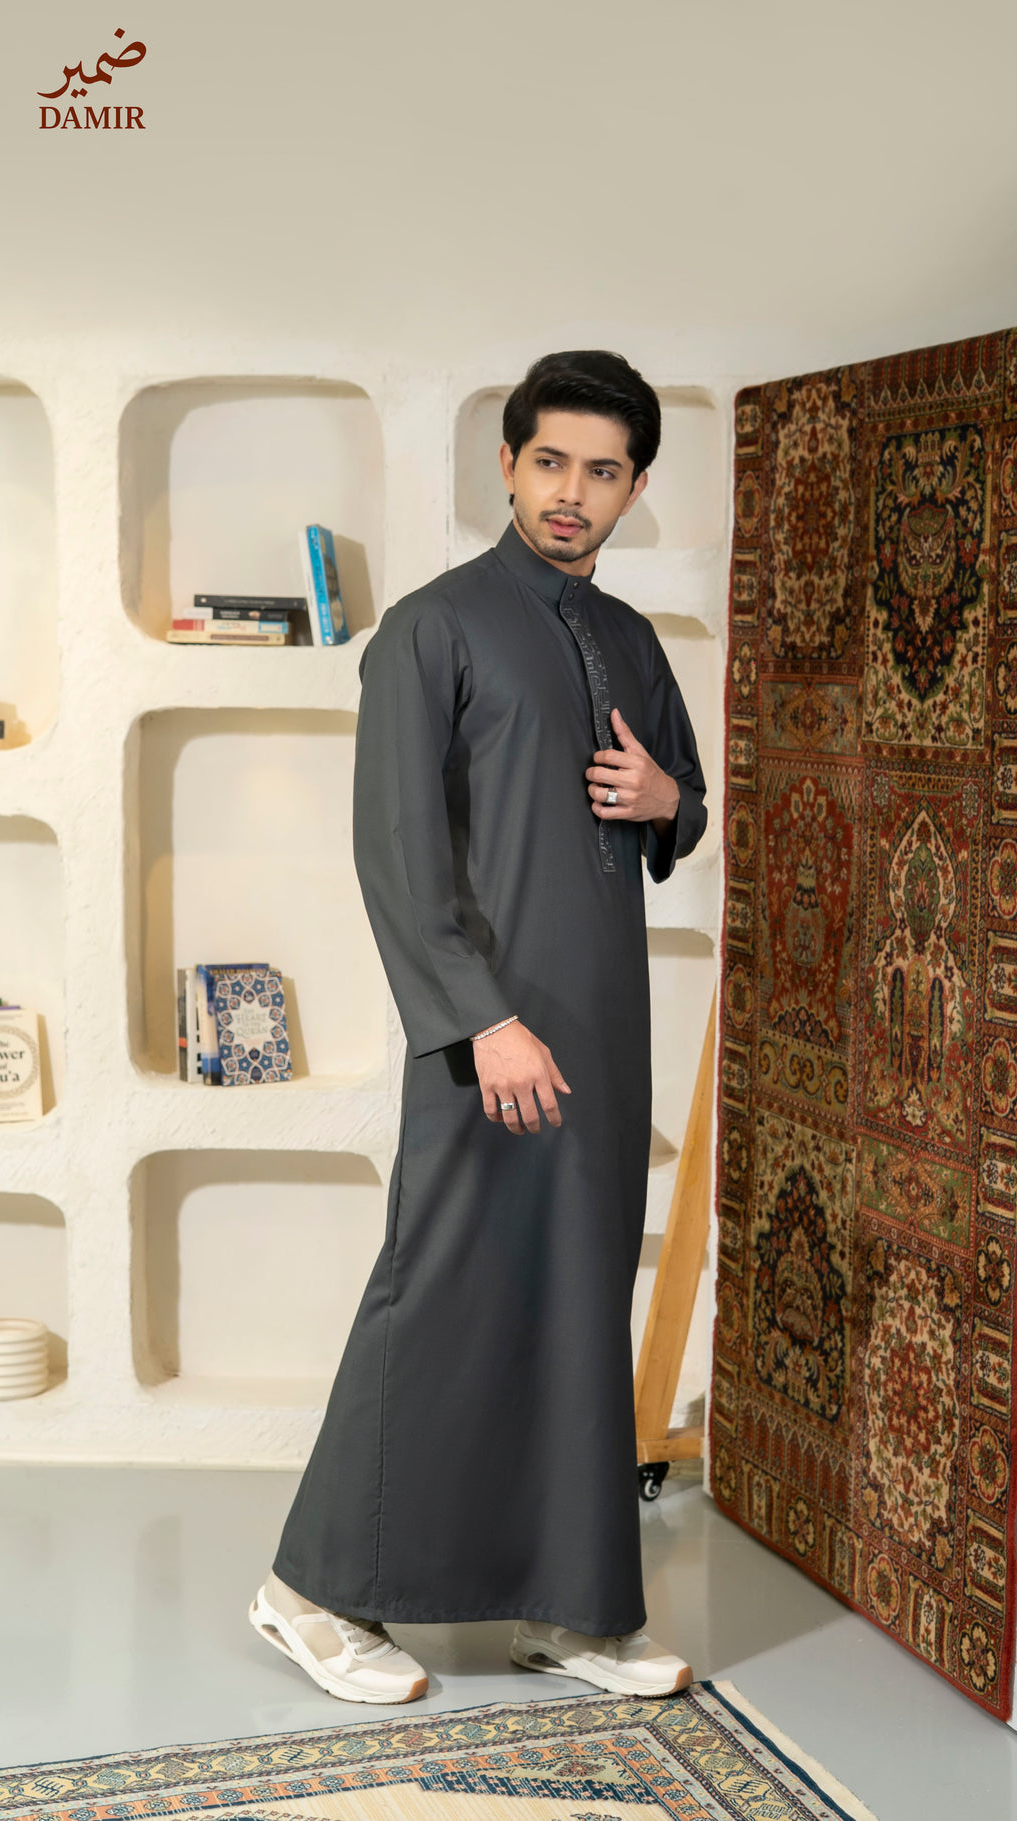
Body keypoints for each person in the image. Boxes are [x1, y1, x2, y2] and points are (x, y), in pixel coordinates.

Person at [249, 349, 708, 1706]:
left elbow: (676, 807)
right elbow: (396, 855)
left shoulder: (627, 639)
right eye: (552, 461)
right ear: (506, 464)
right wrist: (481, 1023)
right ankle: (310, 1588)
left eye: (605, 470)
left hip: (601, 1026)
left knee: (575, 1302)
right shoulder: (432, 631)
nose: (575, 494)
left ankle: (563, 1606)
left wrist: (666, 793)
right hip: (488, 1035)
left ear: (635, 486)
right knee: (437, 1284)